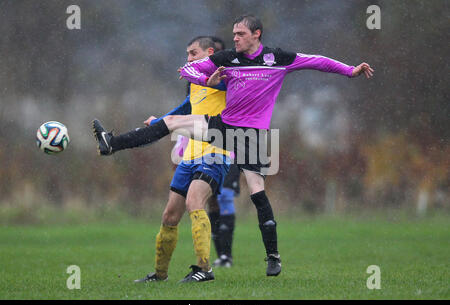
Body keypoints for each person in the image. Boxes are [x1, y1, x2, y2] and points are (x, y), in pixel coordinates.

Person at [92, 15, 374, 277]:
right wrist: (206, 79)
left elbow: (316, 61)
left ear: (256, 34)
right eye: (234, 34)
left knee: (257, 192)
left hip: (252, 135)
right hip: (222, 128)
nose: (235, 39)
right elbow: (187, 70)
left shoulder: (278, 59)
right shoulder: (229, 59)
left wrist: (350, 71)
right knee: (172, 122)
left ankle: (273, 256)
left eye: (240, 34)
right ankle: (111, 144)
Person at [124, 36, 230, 283]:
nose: (189, 59)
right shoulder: (196, 84)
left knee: (195, 201)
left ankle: (204, 269)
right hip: (191, 155)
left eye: (193, 53)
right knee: (170, 215)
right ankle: (159, 275)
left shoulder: (226, 78)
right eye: (187, 54)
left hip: (216, 152)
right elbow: (184, 108)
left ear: (210, 52)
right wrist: (159, 123)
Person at [208, 164, 240, 267]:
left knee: (224, 197)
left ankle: (226, 256)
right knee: (212, 203)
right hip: (209, 160)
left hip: (229, 160)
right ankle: (221, 255)